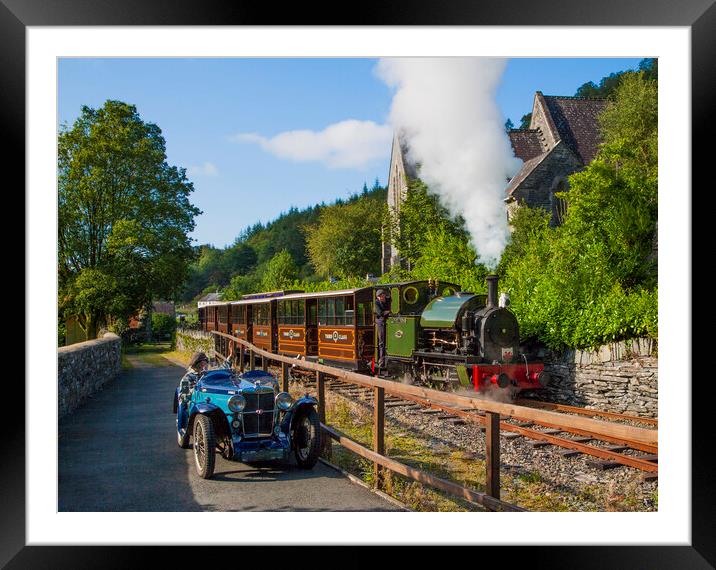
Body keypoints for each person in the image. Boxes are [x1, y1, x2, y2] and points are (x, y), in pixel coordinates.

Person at [374, 289, 391, 374]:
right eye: (379, 297)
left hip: (388, 321)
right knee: (381, 342)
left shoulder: (388, 300)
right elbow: (380, 313)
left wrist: (387, 312)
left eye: (382, 296)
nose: (381, 298)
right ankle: (381, 361)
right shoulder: (376, 303)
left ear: (384, 295)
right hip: (380, 322)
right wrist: (388, 311)